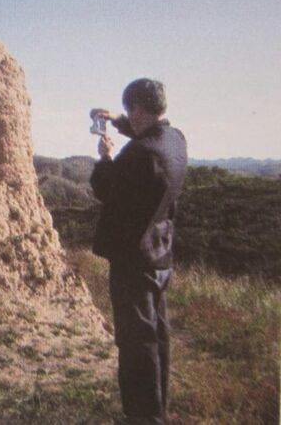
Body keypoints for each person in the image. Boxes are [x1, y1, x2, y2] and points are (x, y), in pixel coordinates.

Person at [90, 79, 187, 425]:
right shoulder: (175, 140)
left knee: (135, 343)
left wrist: (104, 158)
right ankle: (157, 410)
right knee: (157, 336)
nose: (129, 116)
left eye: (131, 110)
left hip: (134, 261)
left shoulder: (139, 155)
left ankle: (144, 417)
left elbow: (104, 188)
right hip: (159, 254)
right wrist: (118, 119)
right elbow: (147, 135)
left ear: (141, 110)